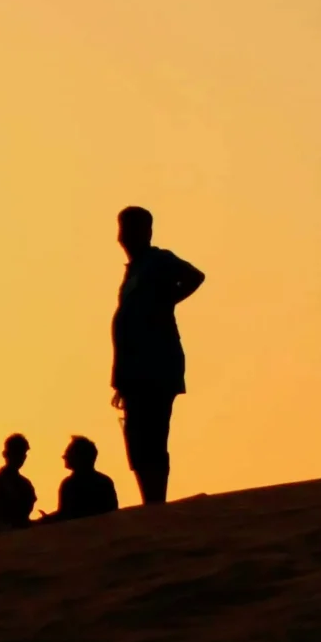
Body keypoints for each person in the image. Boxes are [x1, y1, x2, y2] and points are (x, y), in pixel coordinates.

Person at [111, 206, 205, 506]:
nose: (124, 236)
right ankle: (150, 501)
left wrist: (165, 301)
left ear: (146, 232)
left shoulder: (158, 260)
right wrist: (120, 379)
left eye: (130, 229)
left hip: (157, 366)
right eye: (123, 229)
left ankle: (156, 503)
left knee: (152, 436)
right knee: (137, 440)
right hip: (134, 372)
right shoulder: (134, 271)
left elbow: (195, 276)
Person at [50, 434, 120, 521]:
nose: (64, 457)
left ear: (79, 457)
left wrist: (46, 520)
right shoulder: (105, 481)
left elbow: (65, 514)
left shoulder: (69, 484)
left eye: (68, 454)